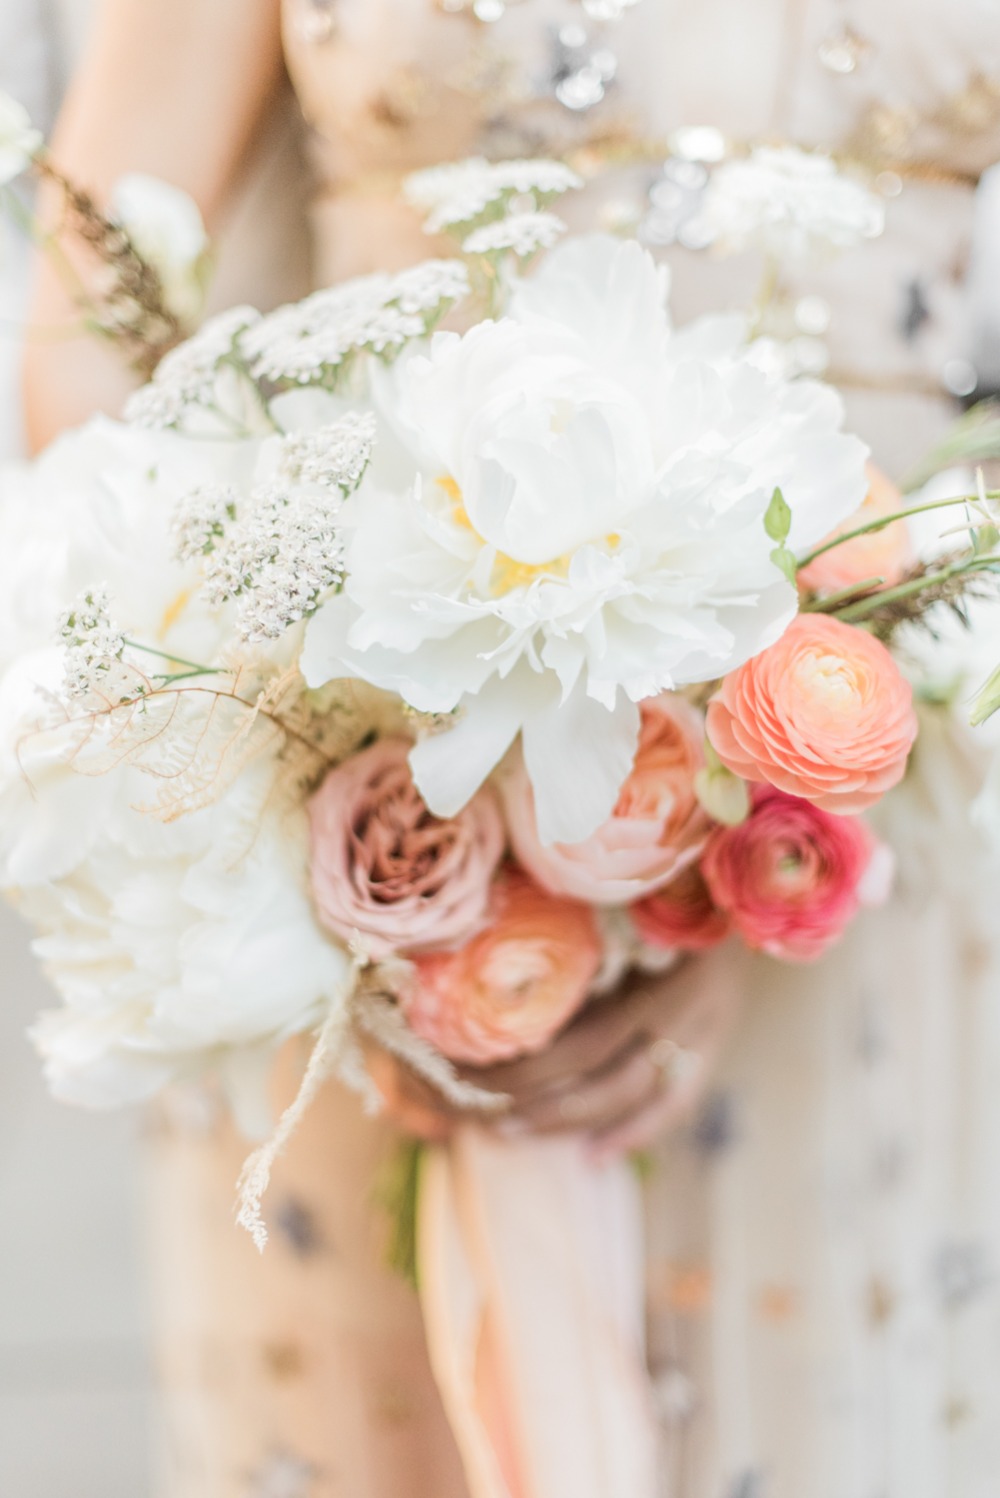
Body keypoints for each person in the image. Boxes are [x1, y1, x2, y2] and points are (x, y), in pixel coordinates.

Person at [19, 2, 1000, 1495]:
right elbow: (89, 320)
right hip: (369, 829)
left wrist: (748, 829)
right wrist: (363, 844)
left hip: (880, 846)